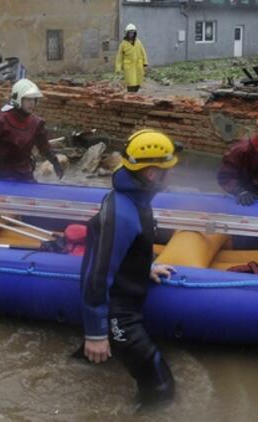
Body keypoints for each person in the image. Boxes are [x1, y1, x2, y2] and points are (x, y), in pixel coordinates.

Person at [80, 129, 177, 408]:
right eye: (167, 169)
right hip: (117, 313)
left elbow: (130, 246)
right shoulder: (120, 213)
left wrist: (144, 267)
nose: (171, 174)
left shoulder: (135, 198)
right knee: (161, 385)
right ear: (151, 173)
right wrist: (96, 333)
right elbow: (97, 274)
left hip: (128, 297)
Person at [0, 78, 64, 182]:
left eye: (34, 99)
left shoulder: (36, 124)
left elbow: (44, 147)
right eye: (28, 99)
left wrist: (55, 162)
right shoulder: (0, 122)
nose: (32, 103)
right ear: (18, 99)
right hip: (3, 175)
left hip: (25, 174)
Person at [115, 24, 148, 93]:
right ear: (127, 34)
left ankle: (135, 94)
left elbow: (143, 52)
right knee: (130, 83)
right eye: (129, 33)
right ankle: (131, 96)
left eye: (132, 33)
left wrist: (145, 63)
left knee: (138, 82)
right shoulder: (123, 44)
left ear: (135, 33)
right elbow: (119, 57)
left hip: (138, 66)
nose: (131, 35)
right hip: (129, 67)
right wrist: (118, 68)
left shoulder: (138, 42)